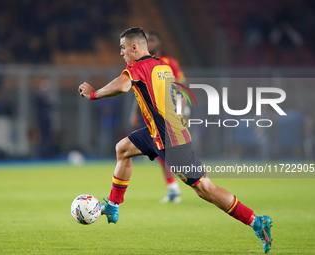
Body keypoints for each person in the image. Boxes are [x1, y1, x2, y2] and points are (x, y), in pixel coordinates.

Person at [78, 27, 273, 254]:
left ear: (134, 47)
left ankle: (256, 221)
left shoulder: (137, 67)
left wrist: (94, 94)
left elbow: (122, 86)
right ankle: (113, 206)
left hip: (171, 140)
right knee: (122, 148)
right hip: (157, 133)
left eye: (122, 47)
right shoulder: (162, 66)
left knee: (205, 190)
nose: (121, 52)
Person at [129, 31, 185, 203]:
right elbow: (139, 91)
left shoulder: (169, 63)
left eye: (152, 39)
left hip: (171, 113)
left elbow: (181, 88)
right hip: (154, 116)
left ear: (159, 42)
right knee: (162, 150)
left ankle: (181, 185)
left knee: (170, 152)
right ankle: (173, 186)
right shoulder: (139, 64)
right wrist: (135, 112)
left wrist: (182, 112)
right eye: (147, 40)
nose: (150, 42)